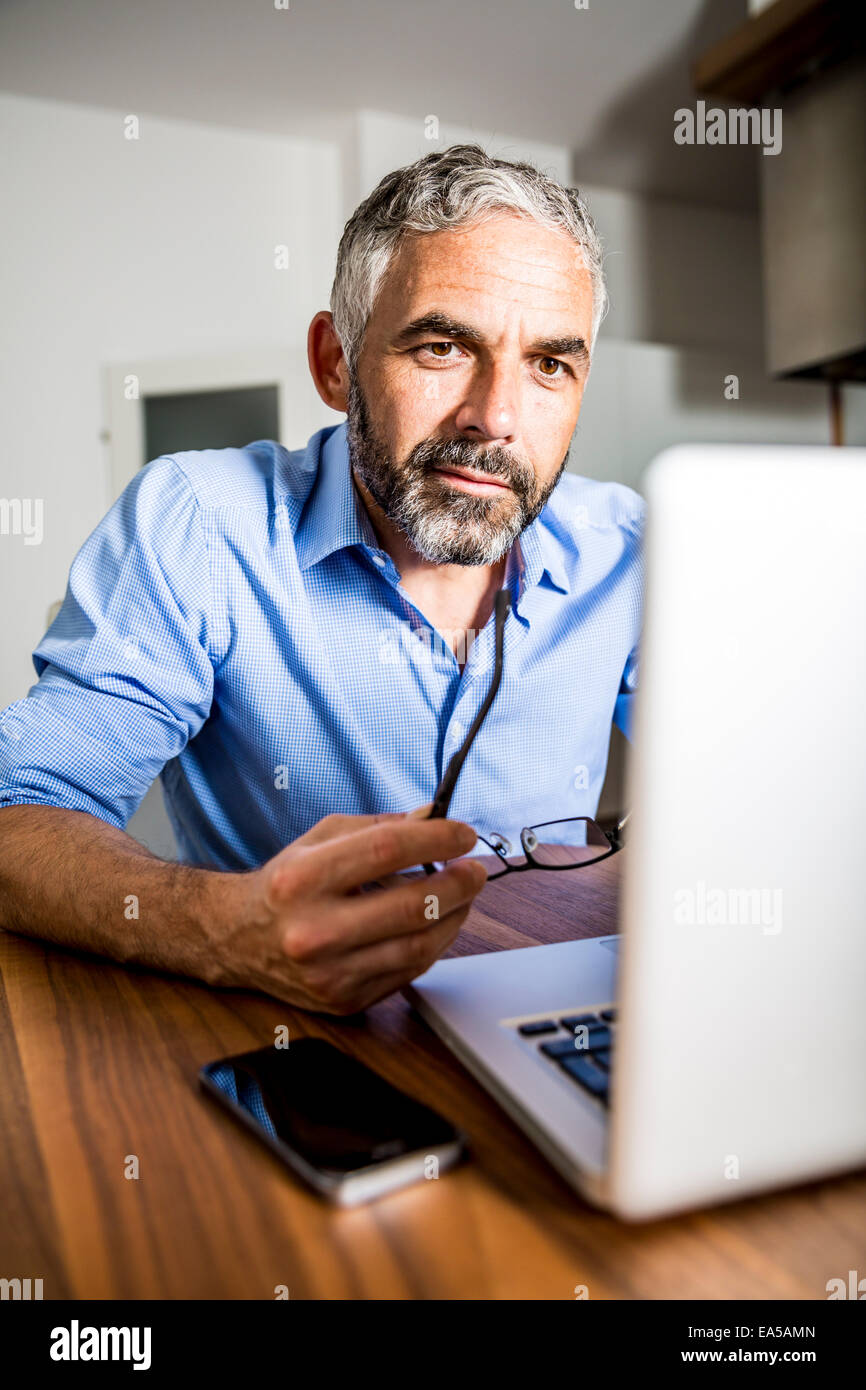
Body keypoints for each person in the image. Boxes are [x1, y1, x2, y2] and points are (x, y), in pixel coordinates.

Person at [0, 145, 643, 1014]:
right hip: (283, 1041)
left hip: (555, 1015)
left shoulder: (635, 552)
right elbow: (19, 813)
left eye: (549, 365)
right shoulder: (199, 524)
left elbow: (752, 783)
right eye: (444, 345)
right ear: (336, 363)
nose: (498, 417)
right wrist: (223, 929)